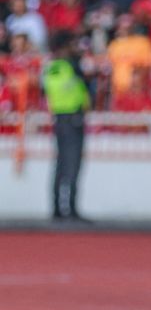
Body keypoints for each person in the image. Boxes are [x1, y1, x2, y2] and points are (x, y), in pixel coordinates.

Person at [42, 31, 91, 221]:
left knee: (60, 163)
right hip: (72, 117)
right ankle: (70, 208)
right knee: (72, 163)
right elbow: (81, 87)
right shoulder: (70, 66)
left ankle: (56, 208)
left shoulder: (51, 67)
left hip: (60, 117)